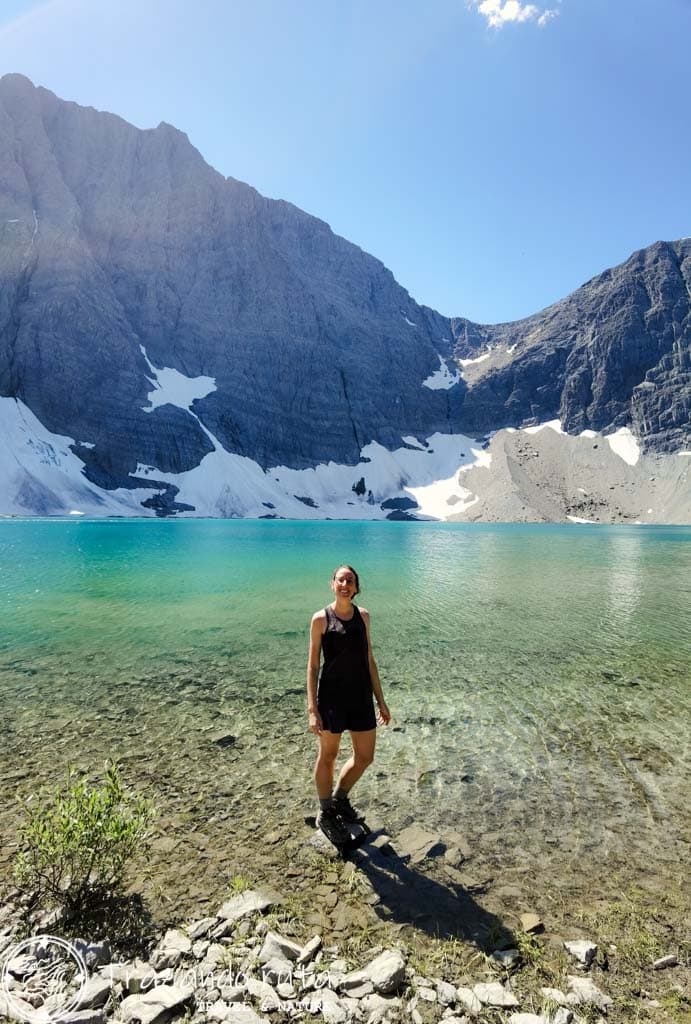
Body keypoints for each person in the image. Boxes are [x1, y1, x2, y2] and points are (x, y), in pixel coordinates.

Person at [307, 564, 391, 844]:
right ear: (332, 584)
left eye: (350, 580)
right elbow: (313, 667)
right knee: (328, 756)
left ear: (356, 588)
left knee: (365, 756)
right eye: (340, 579)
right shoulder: (320, 619)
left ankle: (340, 798)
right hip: (331, 699)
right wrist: (312, 709)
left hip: (360, 697)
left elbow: (369, 659)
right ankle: (325, 810)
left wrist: (381, 701)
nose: (345, 584)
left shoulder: (363, 616)